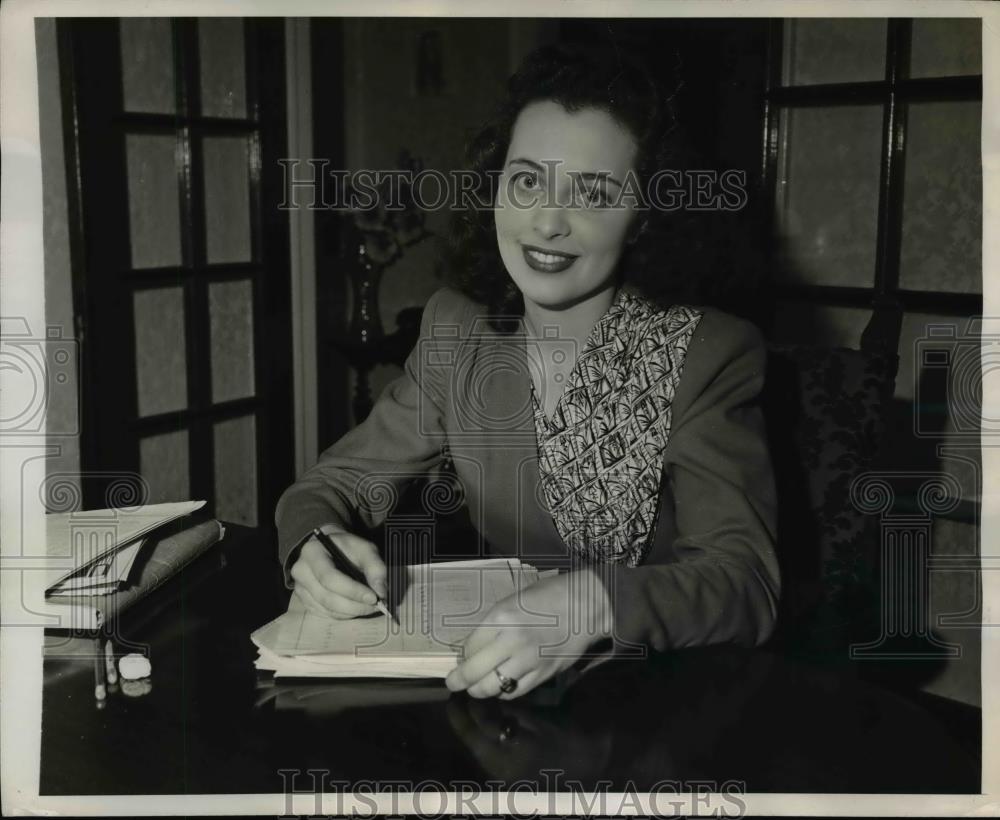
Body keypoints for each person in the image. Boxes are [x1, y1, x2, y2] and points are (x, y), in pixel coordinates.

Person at [275, 43, 780, 700]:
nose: (546, 222)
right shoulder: (457, 331)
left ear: (644, 216)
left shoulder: (709, 352)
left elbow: (746, 584)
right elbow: (332, 486)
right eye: (526, 180)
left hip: (661, 705)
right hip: (497, 696)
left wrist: (594, 606)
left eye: (594, 193)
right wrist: (313, 543)